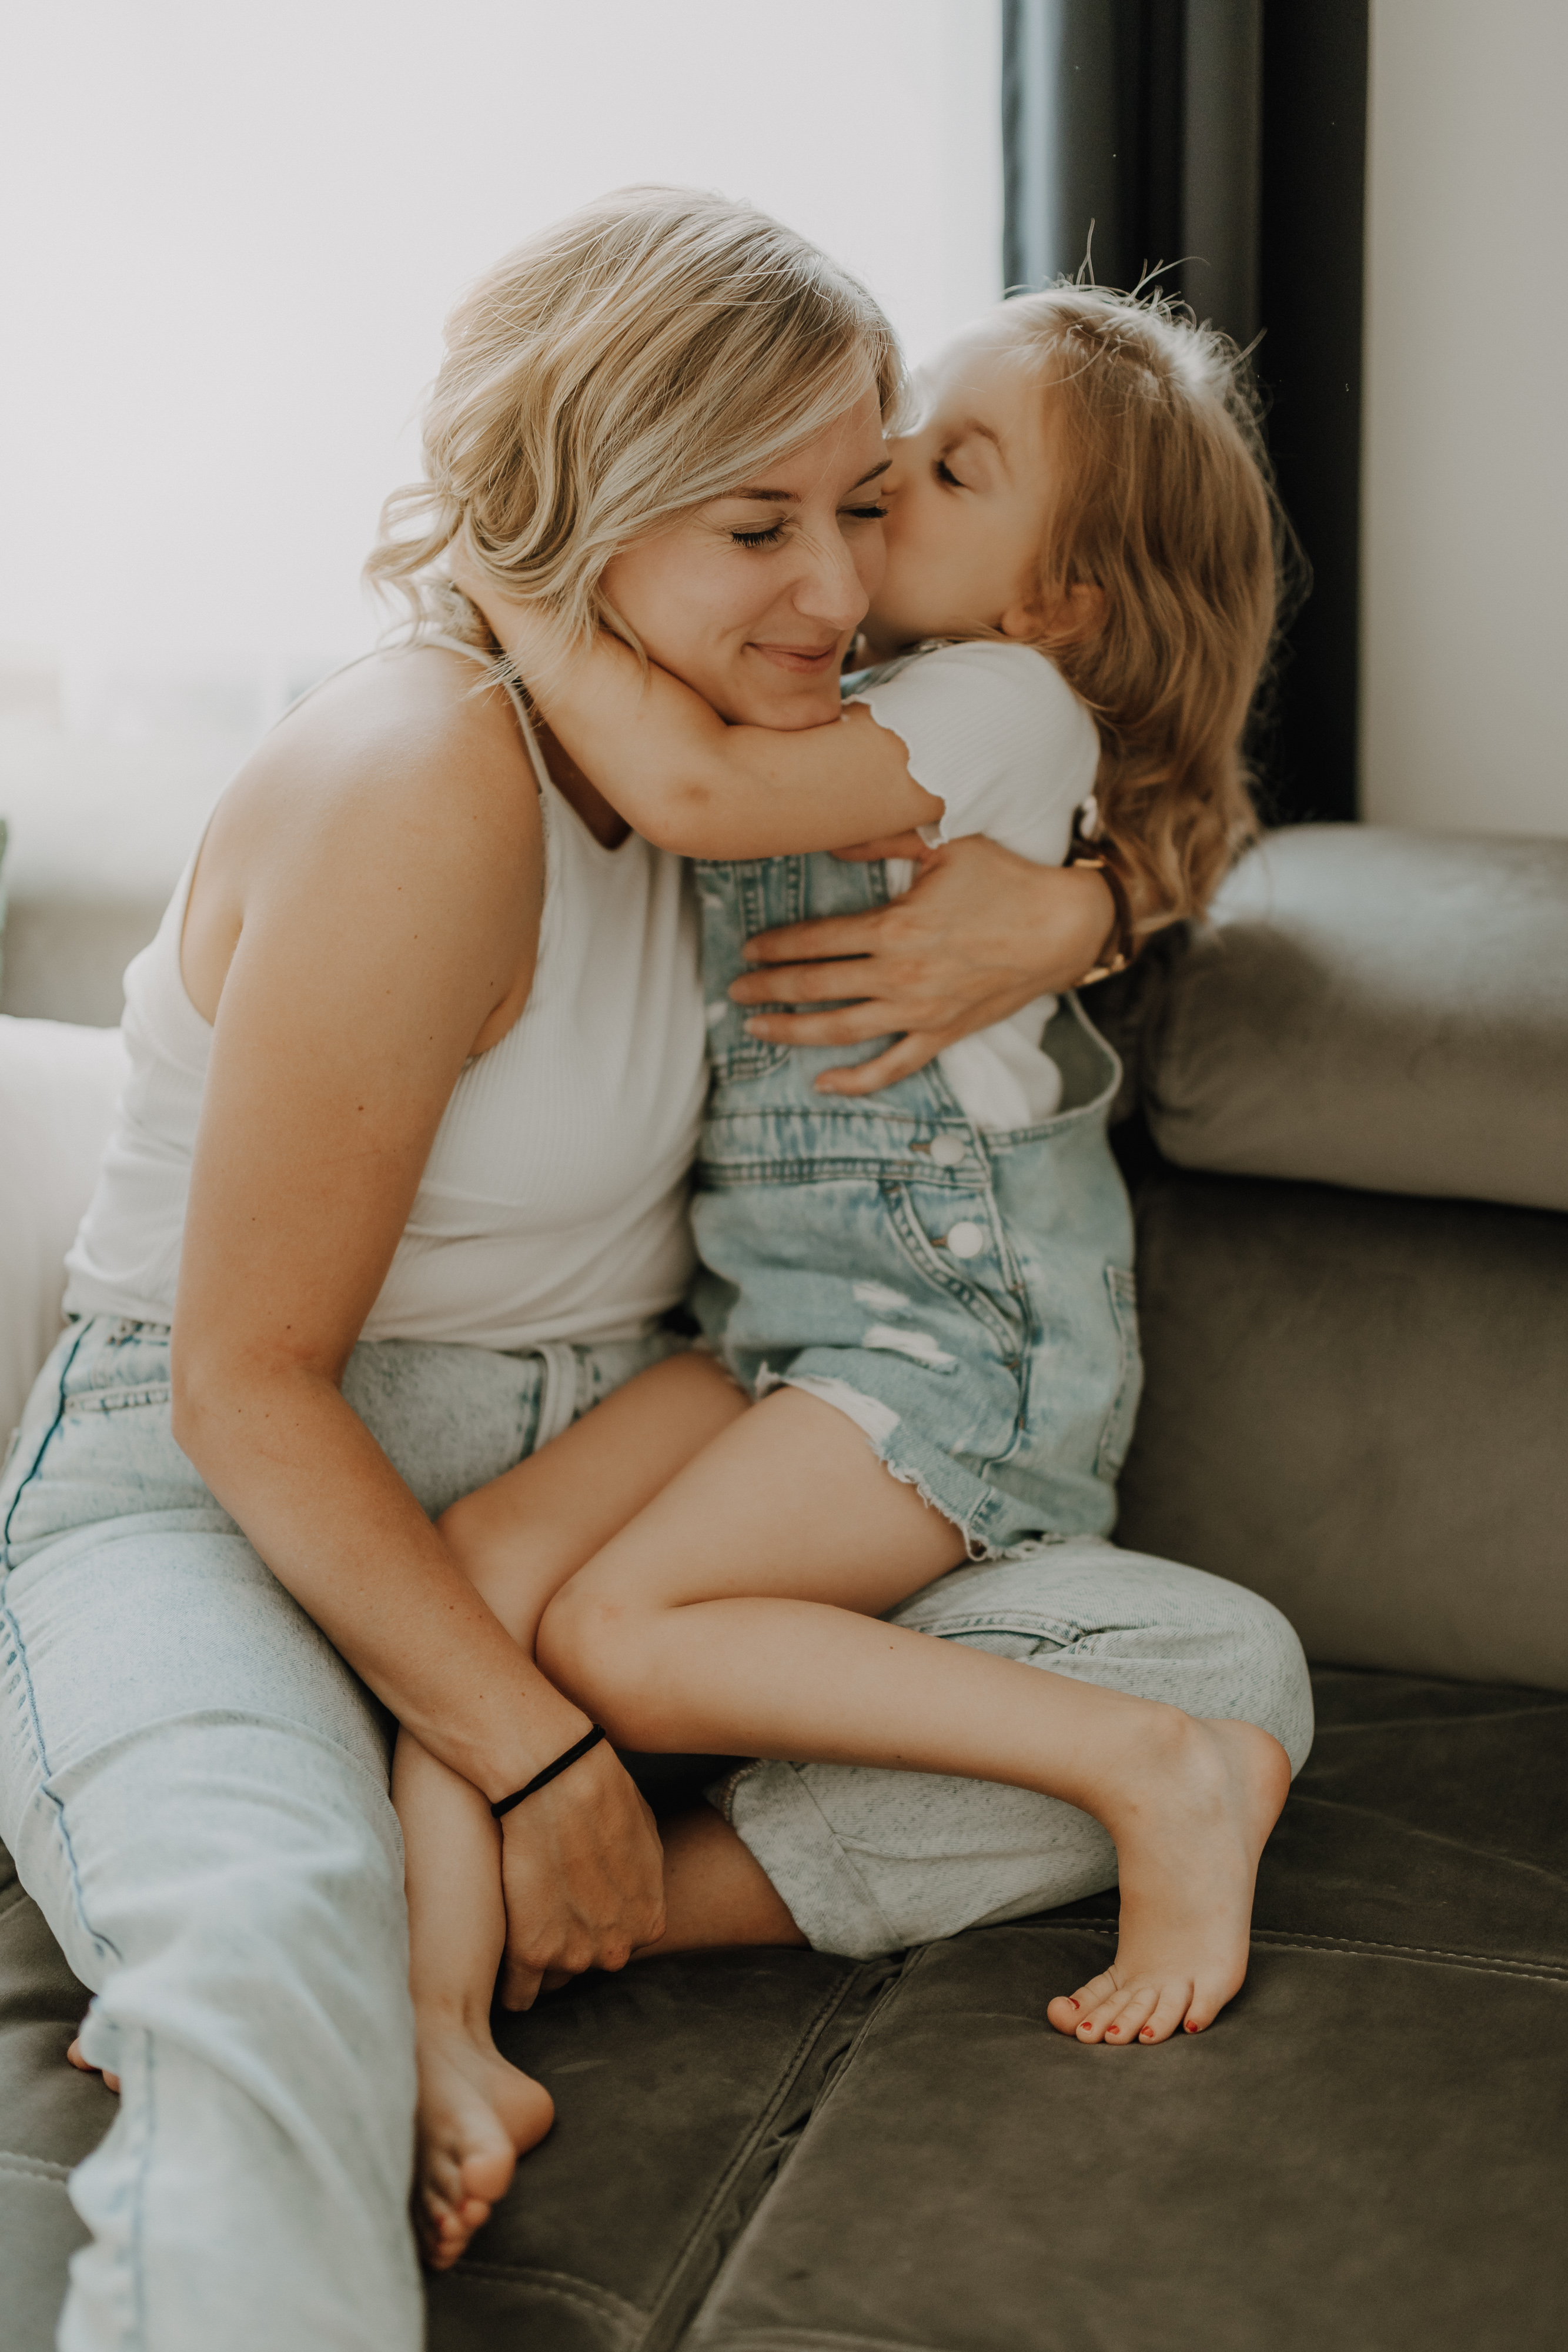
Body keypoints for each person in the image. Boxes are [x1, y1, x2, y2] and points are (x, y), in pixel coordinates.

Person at [0, 189, 1302, 2350]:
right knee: (264, 1963)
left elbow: (1117, 759)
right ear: (584, 518)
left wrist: (1082, 912)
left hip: (641, 1436)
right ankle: (401, 1970)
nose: (838, 579)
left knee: (1223, 1678)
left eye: (866, 499)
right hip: (243, 1492)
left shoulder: (766, 758)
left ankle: (501, 1933)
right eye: (758, 524)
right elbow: (249, 1386)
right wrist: (527, 1748)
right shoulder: (432, 769)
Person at [395, 275, 1313, 2261]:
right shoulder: (834, 678)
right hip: (783, 1331)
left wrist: (506, 554)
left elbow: (696, 799)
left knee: (624, 1639)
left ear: (1054, 600)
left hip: (955, 1341)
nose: (875, 485)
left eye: (941, 468)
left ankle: (1138, 1763)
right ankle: (432, 2019)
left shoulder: (993, 702)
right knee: (470, 1590)